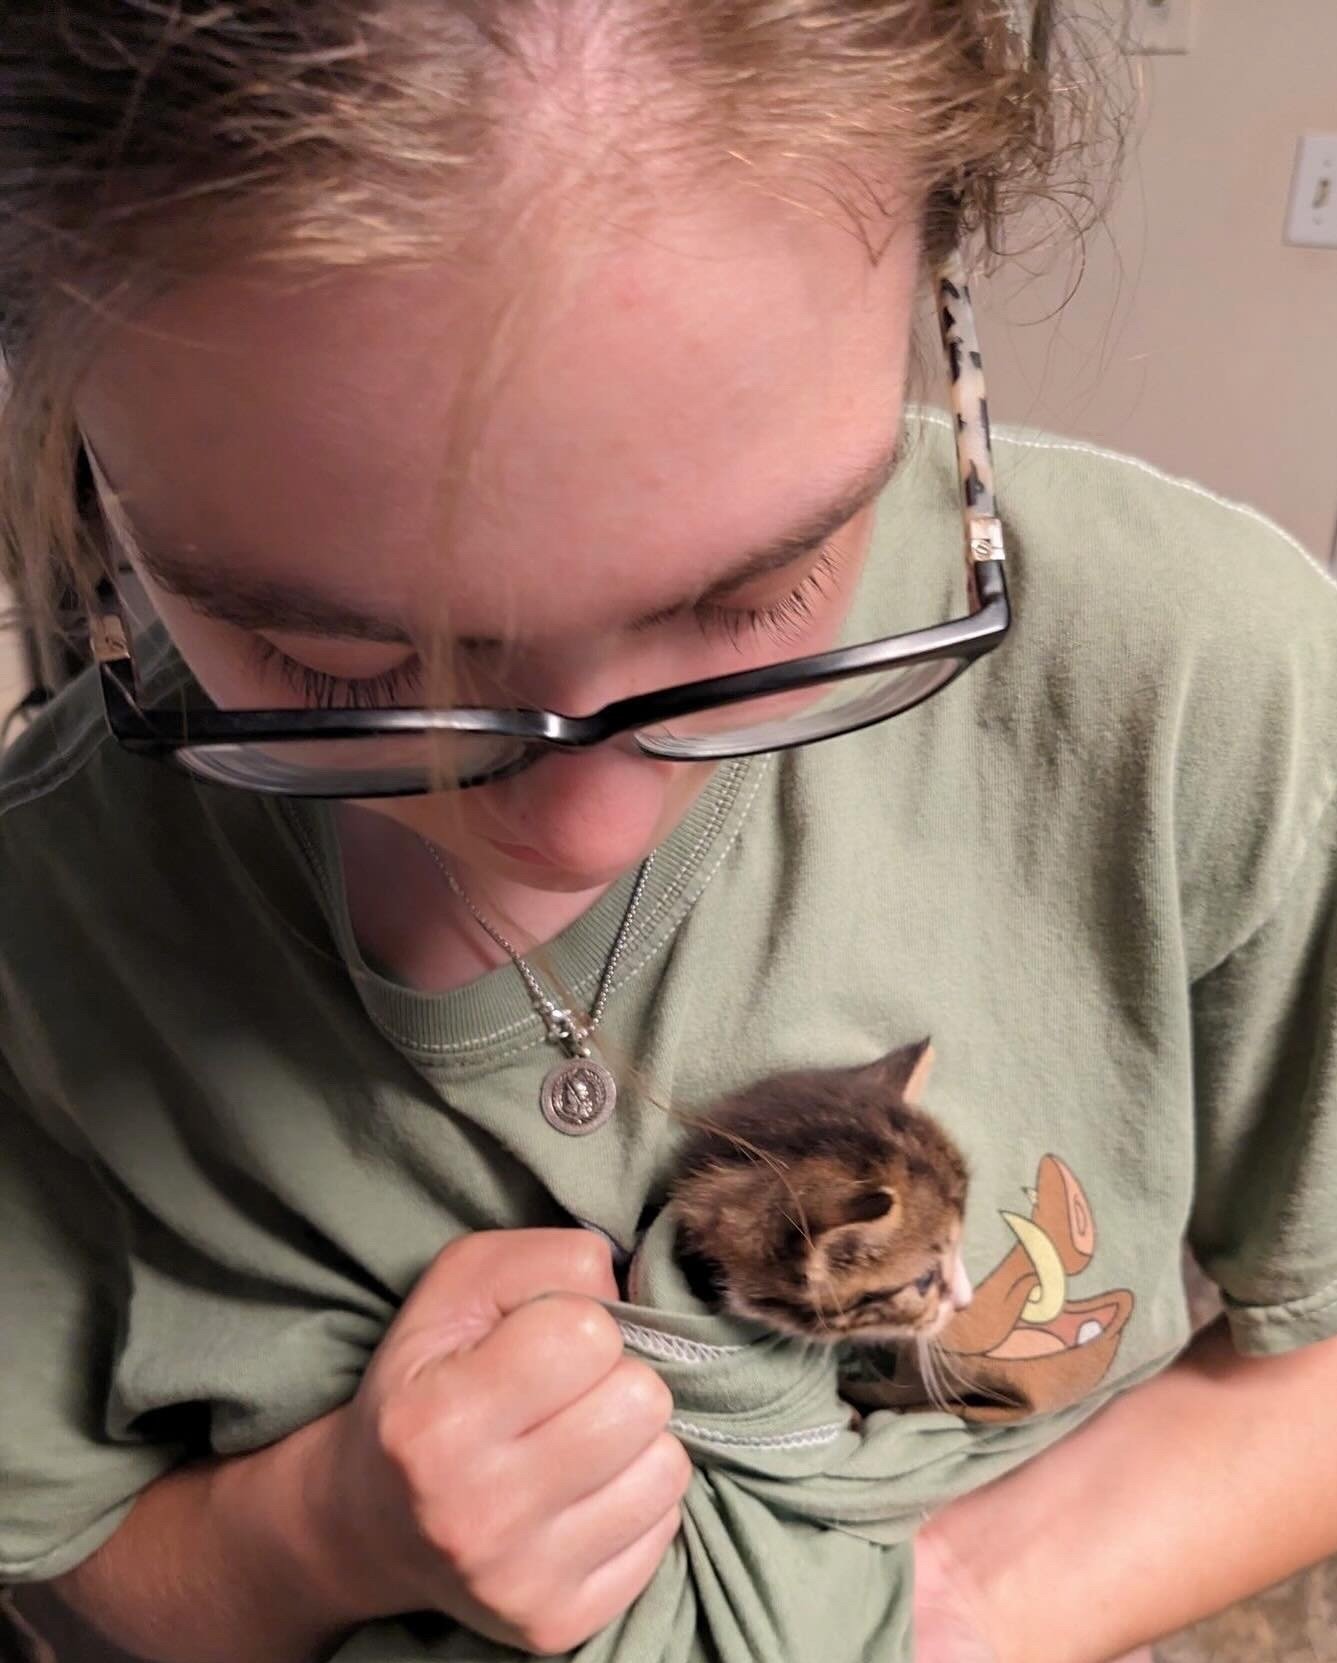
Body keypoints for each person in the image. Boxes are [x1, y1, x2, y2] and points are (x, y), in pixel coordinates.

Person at [2, 3, 1336, 1661]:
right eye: (336, 669)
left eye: (759, 597)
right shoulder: (50, 926)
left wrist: (938, 1618)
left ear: (945, 293)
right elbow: (70, 1539)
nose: (576, 828)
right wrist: (317, 1534)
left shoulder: (1206, 687)